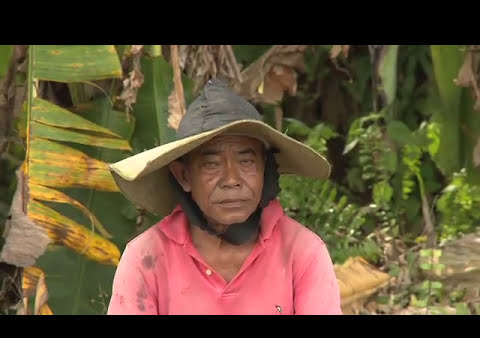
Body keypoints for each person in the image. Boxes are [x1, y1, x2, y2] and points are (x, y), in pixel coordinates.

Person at [107, 78, 342, 315]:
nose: (231, 179)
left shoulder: (302, 252)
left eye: (246, 161)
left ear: (264, 169)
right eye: (211, 164)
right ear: (184, 176)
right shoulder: (146, 257)